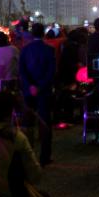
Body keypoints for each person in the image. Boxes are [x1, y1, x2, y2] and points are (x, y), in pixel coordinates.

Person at [19, 22, 56, 166]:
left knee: (28, 125)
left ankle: (27, 154)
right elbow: (51, 72)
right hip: (44, 91)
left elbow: (22, 71)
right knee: (45, 123)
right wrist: (40, 87)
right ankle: (45, 156)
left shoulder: (25, 50)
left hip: (29, 91)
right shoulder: (49, 50)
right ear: (43, 33)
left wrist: (30, 86)